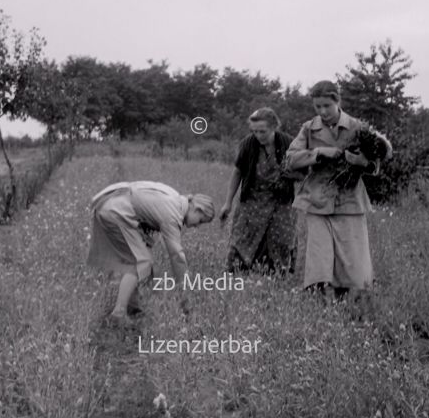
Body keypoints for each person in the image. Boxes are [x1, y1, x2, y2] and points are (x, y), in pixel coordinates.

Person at [286, 81, 392, 299]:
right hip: (317, 200)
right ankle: (320, 305)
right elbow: (290, 160)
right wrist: (319, 152)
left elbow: (376, 165)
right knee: (319, 257)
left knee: (352, 261)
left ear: (338, 101)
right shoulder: (308, 128)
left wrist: (361, 161)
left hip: (349, 200)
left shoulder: (357, 127)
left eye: (327, 105)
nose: (323, 112)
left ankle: (349, 306)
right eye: (318, 107)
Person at [87, 181, 215, 324]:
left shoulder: (176, 200)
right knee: (140, 261)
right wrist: (187, 302)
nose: (197, 226)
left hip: (113, 204)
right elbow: (177, 257)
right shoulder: (173, 214)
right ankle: (118, 314)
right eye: (200, 221)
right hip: (115, 211)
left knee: (142, 258)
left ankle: (133, 308)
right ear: (197, 209)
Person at [219, 107, 298, 274]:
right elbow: (237, 172)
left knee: (281, 239)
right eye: (254, 131)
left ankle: (276, 273)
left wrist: (291, 174)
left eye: (263, 131)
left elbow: (303, 174)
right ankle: (239, 271)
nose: (258, 135)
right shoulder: (248, 145)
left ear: (274, 127)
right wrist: (228, 203)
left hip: (281, 201)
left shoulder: (289, 144)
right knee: (243, 237)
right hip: (253, 200)